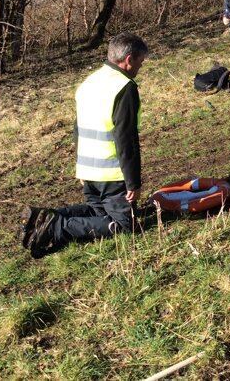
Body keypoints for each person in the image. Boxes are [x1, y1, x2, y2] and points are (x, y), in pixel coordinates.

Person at [20, 33, 149, 258]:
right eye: (140, 61)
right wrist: (133, 182)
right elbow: (125, 139)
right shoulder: (124, 87)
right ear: (129, 59)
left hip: (89, 171)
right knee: (125, 225)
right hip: (112, 174)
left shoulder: (89, 82)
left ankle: (48, 217)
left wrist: (81, 168)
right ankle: (55, 228)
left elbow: (78, 129)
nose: (140, 66)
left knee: (97, 213)